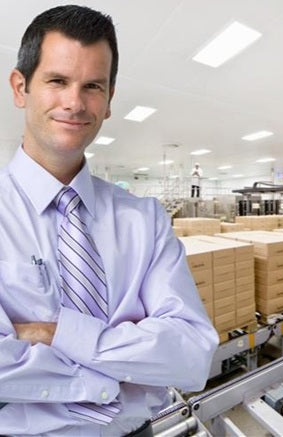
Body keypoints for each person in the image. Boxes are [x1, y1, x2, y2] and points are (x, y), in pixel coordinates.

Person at [1, 5, 218, 436]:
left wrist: (51, 332)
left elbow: (193, 355)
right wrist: (125, 364)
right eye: (58, 81)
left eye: (93, 86)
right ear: (21, 87)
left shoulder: (144, 219)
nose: (75, 102)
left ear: (109, 100)